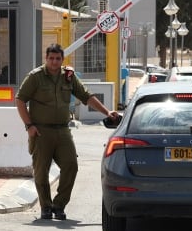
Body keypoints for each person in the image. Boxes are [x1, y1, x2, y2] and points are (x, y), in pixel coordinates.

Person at [16, 43, 118, 220]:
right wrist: (29, 126)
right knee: (41, 171)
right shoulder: (35, 77)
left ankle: (59, 205)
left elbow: (87, 97)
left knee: (71, 166)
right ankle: (46, 207)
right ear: (46, 59)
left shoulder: (68, 77)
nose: (54, 62)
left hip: (63, 131)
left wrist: (107, 112)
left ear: (62, 60)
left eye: (57, 59)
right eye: (51, 58)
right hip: (41, 132)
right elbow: (20, 100)